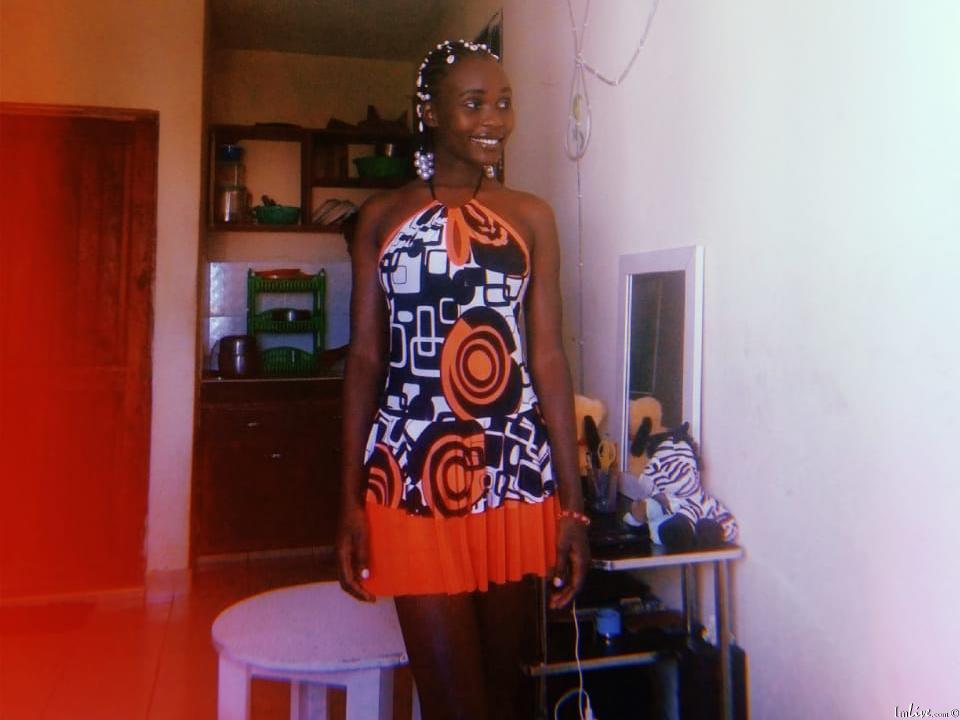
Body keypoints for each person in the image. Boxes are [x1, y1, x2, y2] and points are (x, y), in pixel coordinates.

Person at [337, 39, 589, 720]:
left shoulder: (531, 217)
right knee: (455, 703)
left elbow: (548, 358)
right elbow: (365, 360)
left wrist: (572, 506)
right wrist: (349, 502)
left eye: (503, 103)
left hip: (514, 472)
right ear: (429, 111)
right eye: (474, 103)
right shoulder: (381, 218)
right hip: (410, 476)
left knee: (506, 697)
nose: (494, 120)